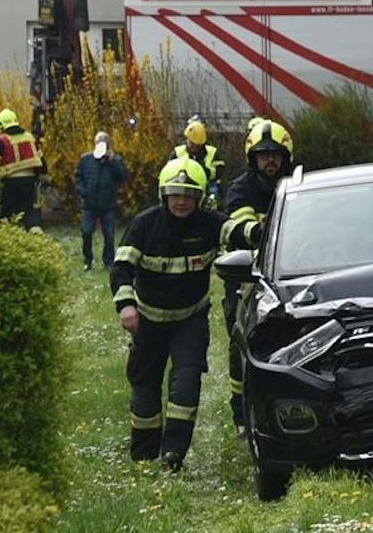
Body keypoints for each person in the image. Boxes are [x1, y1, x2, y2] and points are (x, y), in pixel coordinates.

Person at [112, 157, 260, 468]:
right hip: (148, 323)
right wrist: (127, 305)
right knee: (144, 390)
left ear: (200, 197)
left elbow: (236, 231)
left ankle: (172, 455)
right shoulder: (144, 225)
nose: (181, 201)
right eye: (175, 194)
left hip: (189, 322)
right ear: (164, 195)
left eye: (189, 195)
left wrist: (265, 231)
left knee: (186, 385)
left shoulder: (208, 223)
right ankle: (144, 456)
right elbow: (121, 267)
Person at [220, 119, 295, 431]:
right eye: (263, 155)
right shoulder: (241, 190)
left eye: (276, 154)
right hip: (246, 279)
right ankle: (241, 412)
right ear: (253, 158)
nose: (270, 160)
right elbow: (240, 231)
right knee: (241, 345)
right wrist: (270, 231)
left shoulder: (296, 184)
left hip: (289, 278)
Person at [75, 130, 129, 271]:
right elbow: (78, 178)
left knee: (109, 235)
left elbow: (123, 176)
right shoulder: (86, 160)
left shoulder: (115, 160)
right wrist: (83, 192)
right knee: (86, 232)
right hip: (90, 204)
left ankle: (108, 261)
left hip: (108, 204)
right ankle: (88, 260)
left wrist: (111, 162)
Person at [0, 108, 45, 231]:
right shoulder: (29, 138)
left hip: (10, 183)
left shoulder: (2, 141)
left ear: (1, 125)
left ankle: (7, 236)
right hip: (30, 181)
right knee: (30, 211)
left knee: (7, 211)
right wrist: (41, 176)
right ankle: (36, 234)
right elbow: (41, 159)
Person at [174, 115, 226, 208]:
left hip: (208, 189)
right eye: (192, 144)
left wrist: (205, 171)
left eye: (197, 145)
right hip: (183, 190)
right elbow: (168, 172)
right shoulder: (177, 152)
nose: (194, 147)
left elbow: (220, 169)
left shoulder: (212, 152)